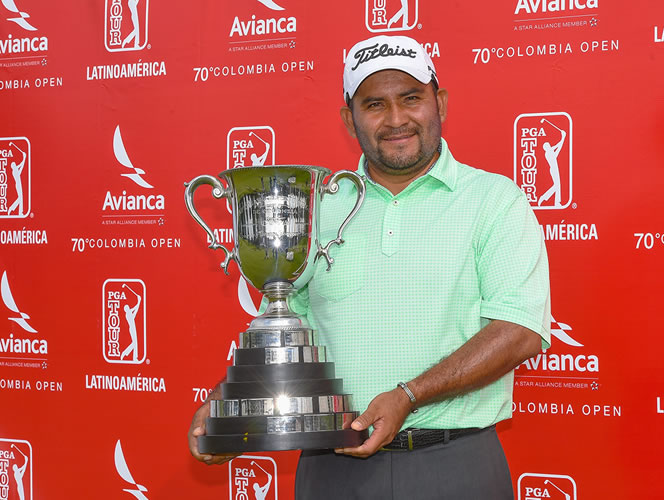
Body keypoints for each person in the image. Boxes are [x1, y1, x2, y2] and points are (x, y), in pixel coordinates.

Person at [188, 34, 551, 499]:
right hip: (332, 471)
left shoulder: (494, 201)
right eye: (375, 104)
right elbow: (287, 329)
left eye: (412, 98)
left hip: (455, 467)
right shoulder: (318, 209)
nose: (396, 119)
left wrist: (409, 396)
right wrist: (232, 399)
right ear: (349, 118)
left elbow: (519, 330)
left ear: (439, 102)